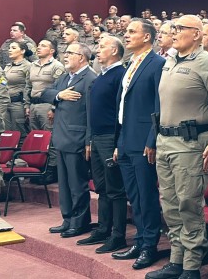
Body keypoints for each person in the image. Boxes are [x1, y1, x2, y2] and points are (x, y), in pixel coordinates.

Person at [146, 15, 208, 279]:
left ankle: (192, 265)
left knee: (189, 204)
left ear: (198, 34)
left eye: (180, 28)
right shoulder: (169, 61)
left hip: (191, 144)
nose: (174, 32)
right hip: (165, 141)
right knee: (170, 205)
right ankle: (176, 260)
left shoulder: (207, 64)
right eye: (173, 28)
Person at [111, 18, 164, 270]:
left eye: (132, 31)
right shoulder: (130, 63)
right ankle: (140, 239)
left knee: (147, 195)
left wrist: (152, 140)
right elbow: (123, 106)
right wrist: (118, 141)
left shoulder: (157, 64)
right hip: (125, 138)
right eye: (126, 31)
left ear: (147, 37)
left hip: (144, 141)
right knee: (134, 195)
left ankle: (150, 245)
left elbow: (158, 105)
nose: (127, 35)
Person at [78, 36, 128, 254]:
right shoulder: (102, 75)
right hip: (97, 138)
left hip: (110, 137)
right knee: (101, 187)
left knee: (115, 189)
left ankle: (118, 236)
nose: (97, 51)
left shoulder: (120, 74)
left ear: (115, 50)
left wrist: (119, 142)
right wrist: (90, 138)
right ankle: (103, 228)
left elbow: (121, 112)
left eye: (101, 47)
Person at [42, 43, 97, 238]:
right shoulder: (65, 77)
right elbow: (45, 93)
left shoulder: (90, 78)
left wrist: (89, 141)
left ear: (82, 57)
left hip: (77, 138)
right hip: (61, 136)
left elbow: (92, 114)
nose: (65, 56)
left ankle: (80, 222)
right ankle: (67, 219)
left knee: (77, 184)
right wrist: (59, 95)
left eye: (70, 53)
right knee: (64, 184)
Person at [26, 39, 65, 185]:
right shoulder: (33, 65)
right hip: (34, 105)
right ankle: (38, 169)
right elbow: (28, 86)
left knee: (50, 139)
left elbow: (59, 88)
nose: (38, 47)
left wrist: (54, 108)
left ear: (52, 50)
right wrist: (27, 104)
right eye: (38, 45)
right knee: (36, 139)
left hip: (47, 105)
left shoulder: (57, 66)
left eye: (43, 46)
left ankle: (51, 171)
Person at [5, 41, 32, 142]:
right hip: (6, 102)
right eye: (9, 48)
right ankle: (7, 157)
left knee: (19, 133)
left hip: (18, 103)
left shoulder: (28, 66)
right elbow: (3, 82)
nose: (10, 50)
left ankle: (20, 157)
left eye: (13, 48)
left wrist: (27, 105)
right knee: (6, 134)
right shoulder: (8, 66)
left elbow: (29, 86)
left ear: (22, 51)